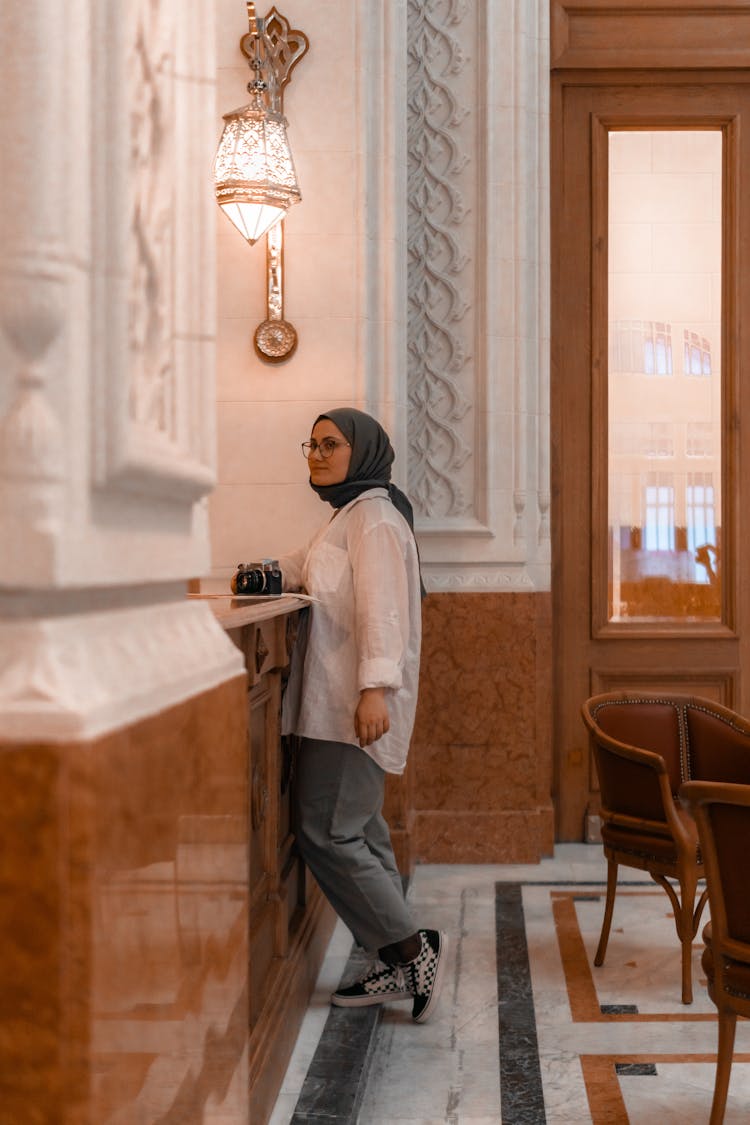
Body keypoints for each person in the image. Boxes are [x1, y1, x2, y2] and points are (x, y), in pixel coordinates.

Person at [277, 407, 447, 1023]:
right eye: (312, 444)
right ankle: (395, 952)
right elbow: (308, 566)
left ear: (364, 450)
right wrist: (270, 571)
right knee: (360, 828)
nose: (317, 454)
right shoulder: (349, 516)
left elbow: (384, 608)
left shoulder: (372, 515)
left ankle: (409, 950)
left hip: (353, 705)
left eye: (331, 444)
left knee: (329, 831)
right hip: (338, 702)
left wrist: (375, 687)